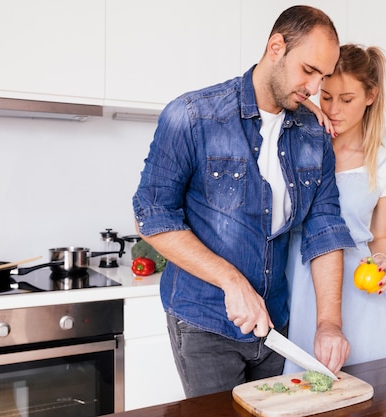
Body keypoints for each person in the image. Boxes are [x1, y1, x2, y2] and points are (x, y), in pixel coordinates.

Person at [132, 5, 356, 398]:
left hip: (274, 325)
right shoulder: (191, 115)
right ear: (275, 47)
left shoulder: (313, 135)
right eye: (308, 71)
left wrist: (329, 323)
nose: (315, 88)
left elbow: (325, 227)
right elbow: (151, 217)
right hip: (204, 322)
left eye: (323, 76)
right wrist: (231, 280)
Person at [284, 44, 386, 373]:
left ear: (371, 96)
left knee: (366, 395)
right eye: (327, 97)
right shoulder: (297, 146)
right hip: (297, 282)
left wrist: (381, 260)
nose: (334, 109)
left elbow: (380, 236)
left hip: (357, 292)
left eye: (347, 99)